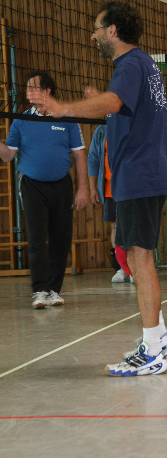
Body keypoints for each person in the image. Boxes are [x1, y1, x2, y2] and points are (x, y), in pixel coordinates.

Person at [26, 1, 167, 377]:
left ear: (112, 30)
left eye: (96, 28)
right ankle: (158, 335)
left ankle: (152, 352)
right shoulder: (143, 64)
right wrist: (100, 101)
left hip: (140, 175)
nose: (93, 36)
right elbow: (120, 108)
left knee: (140, 257)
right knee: (134, 256)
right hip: (140, 174)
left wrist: (63, 108)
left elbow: (114, 101)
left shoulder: (130, 64)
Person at [0, 71, 88, 309]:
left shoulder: (66, 117)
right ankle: (40, 291)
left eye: (33, 87)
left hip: (62, 184)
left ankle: (53, 290)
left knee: (61, 239)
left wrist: (83, 188)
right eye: (27, 88)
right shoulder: (21, 120)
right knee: (37, 238)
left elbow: (79, 155)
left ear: (47, 91)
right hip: (31, 185)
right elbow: (8, 156)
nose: (28, 92)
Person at [87, 124, 133, 283]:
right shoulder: (101, 131)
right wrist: (93, 187)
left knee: (131, 228)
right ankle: (122, 268)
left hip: (130, 188)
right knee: (115, 227)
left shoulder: (131, 126)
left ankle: (135, 267)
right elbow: (93, 159)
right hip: (109, 189)